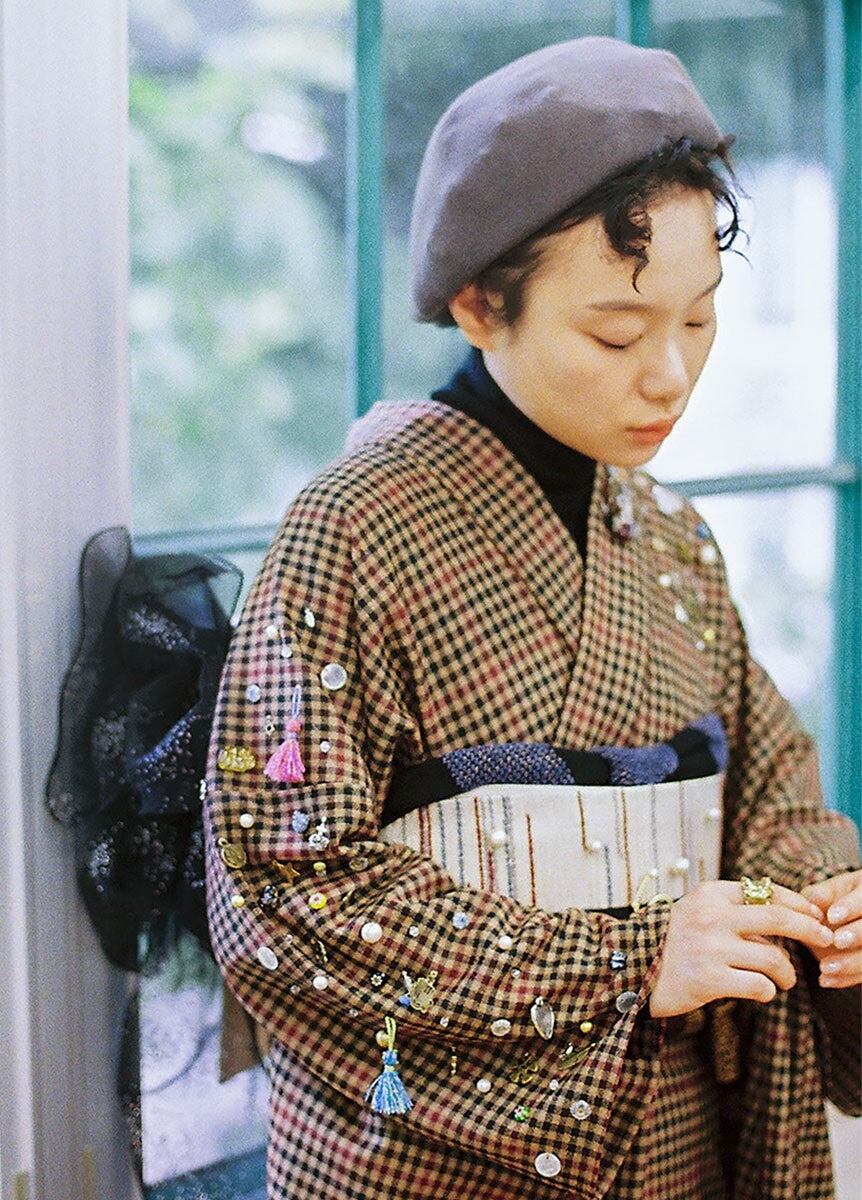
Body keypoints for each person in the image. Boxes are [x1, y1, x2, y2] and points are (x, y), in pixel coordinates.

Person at [202, 36, 862, 1199]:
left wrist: (823, 906)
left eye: (698, 321)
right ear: (478, 303)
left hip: (673, 1141)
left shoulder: (673, 540)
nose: (668, 376)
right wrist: (629, 958)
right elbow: (283, 891)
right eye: (616, 332)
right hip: (436, 1159)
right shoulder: (352, 528)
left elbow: (771, 798)